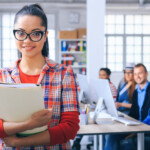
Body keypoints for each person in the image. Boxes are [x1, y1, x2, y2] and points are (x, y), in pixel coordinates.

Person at [0, 4, 79, 149]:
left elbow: (70, 128)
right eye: (21, 33)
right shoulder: (3, 75)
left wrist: (19, 142)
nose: (27, 40)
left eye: (36, 33)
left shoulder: (63, 74)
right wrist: (30, 124)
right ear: (14, 34)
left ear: (45, 36)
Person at [104, 63, 150, 150]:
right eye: (135, 74)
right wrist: (124, 122)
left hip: (145, 129)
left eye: (140, 73)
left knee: (126, 144)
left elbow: (149, 118)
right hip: (137, 126)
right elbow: (133, 113)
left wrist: (135, 132)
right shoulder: (137, 92)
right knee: (112, 136)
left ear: (146, 74)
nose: (137, 76)